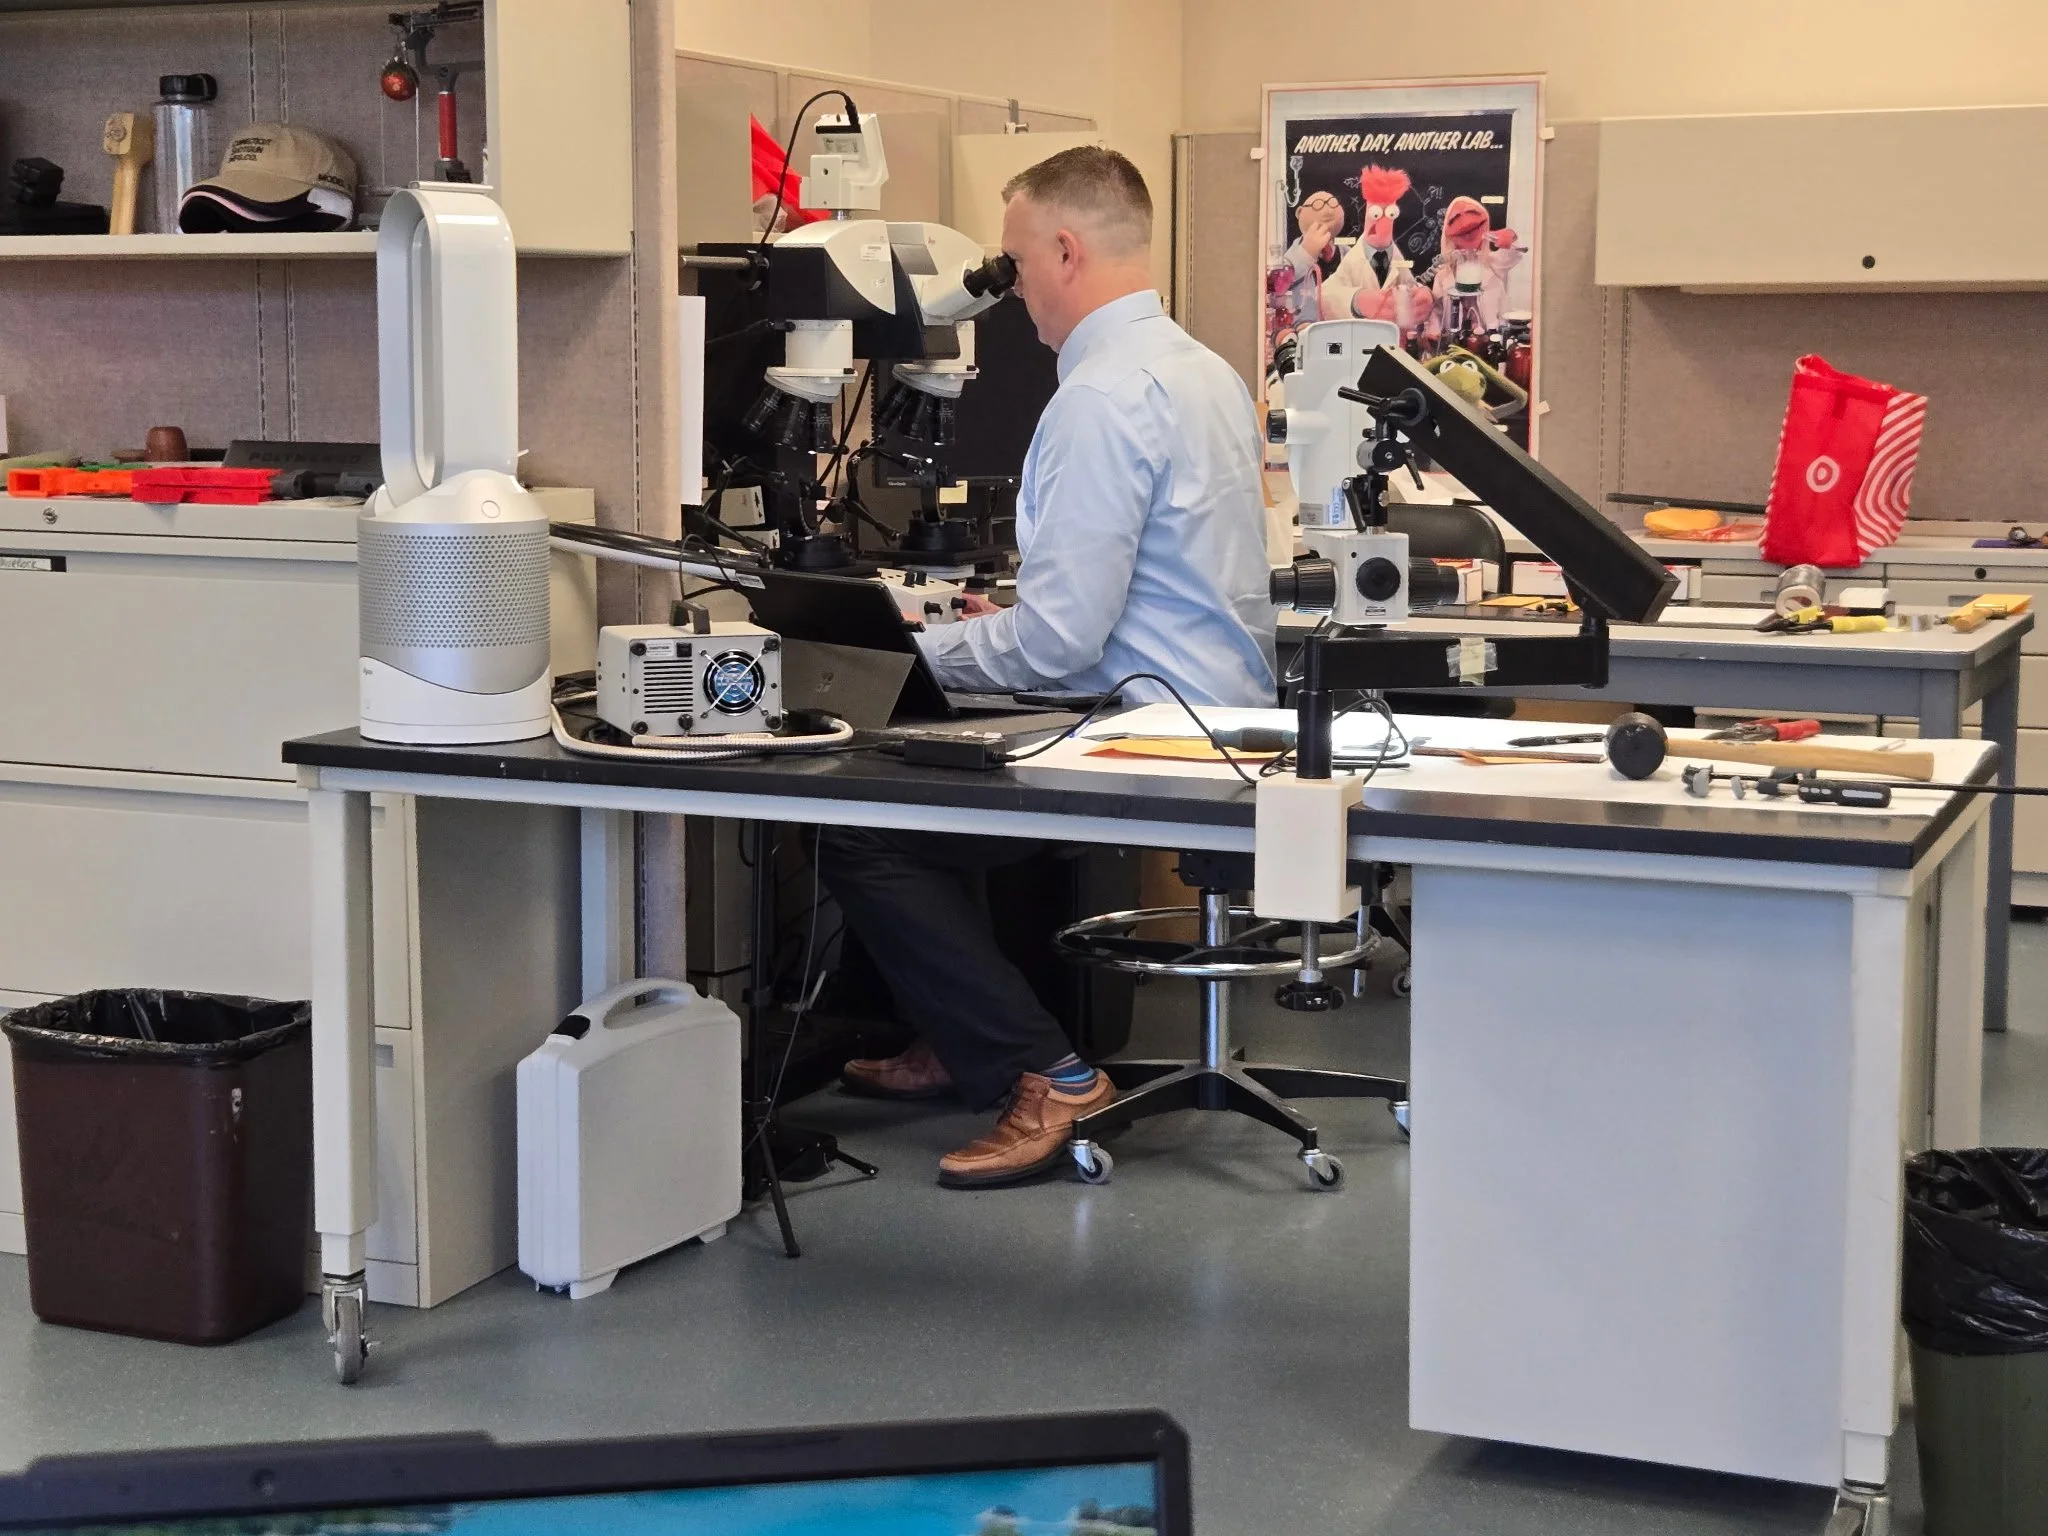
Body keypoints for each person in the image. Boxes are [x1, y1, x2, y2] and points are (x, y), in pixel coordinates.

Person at [817, 145, 1277, 1190]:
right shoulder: (1202, 371)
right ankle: (955, 1035)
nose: (1009, 287)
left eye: (1015, 262)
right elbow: (1135, 588)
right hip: (1214, 714)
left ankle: (1045, 1073)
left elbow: (1060, 645)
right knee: (940, 782)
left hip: (1149, 734)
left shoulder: (1099, 398)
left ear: (1065, 250)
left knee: (864, 824)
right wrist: (1008, 622)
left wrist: (909, 648)